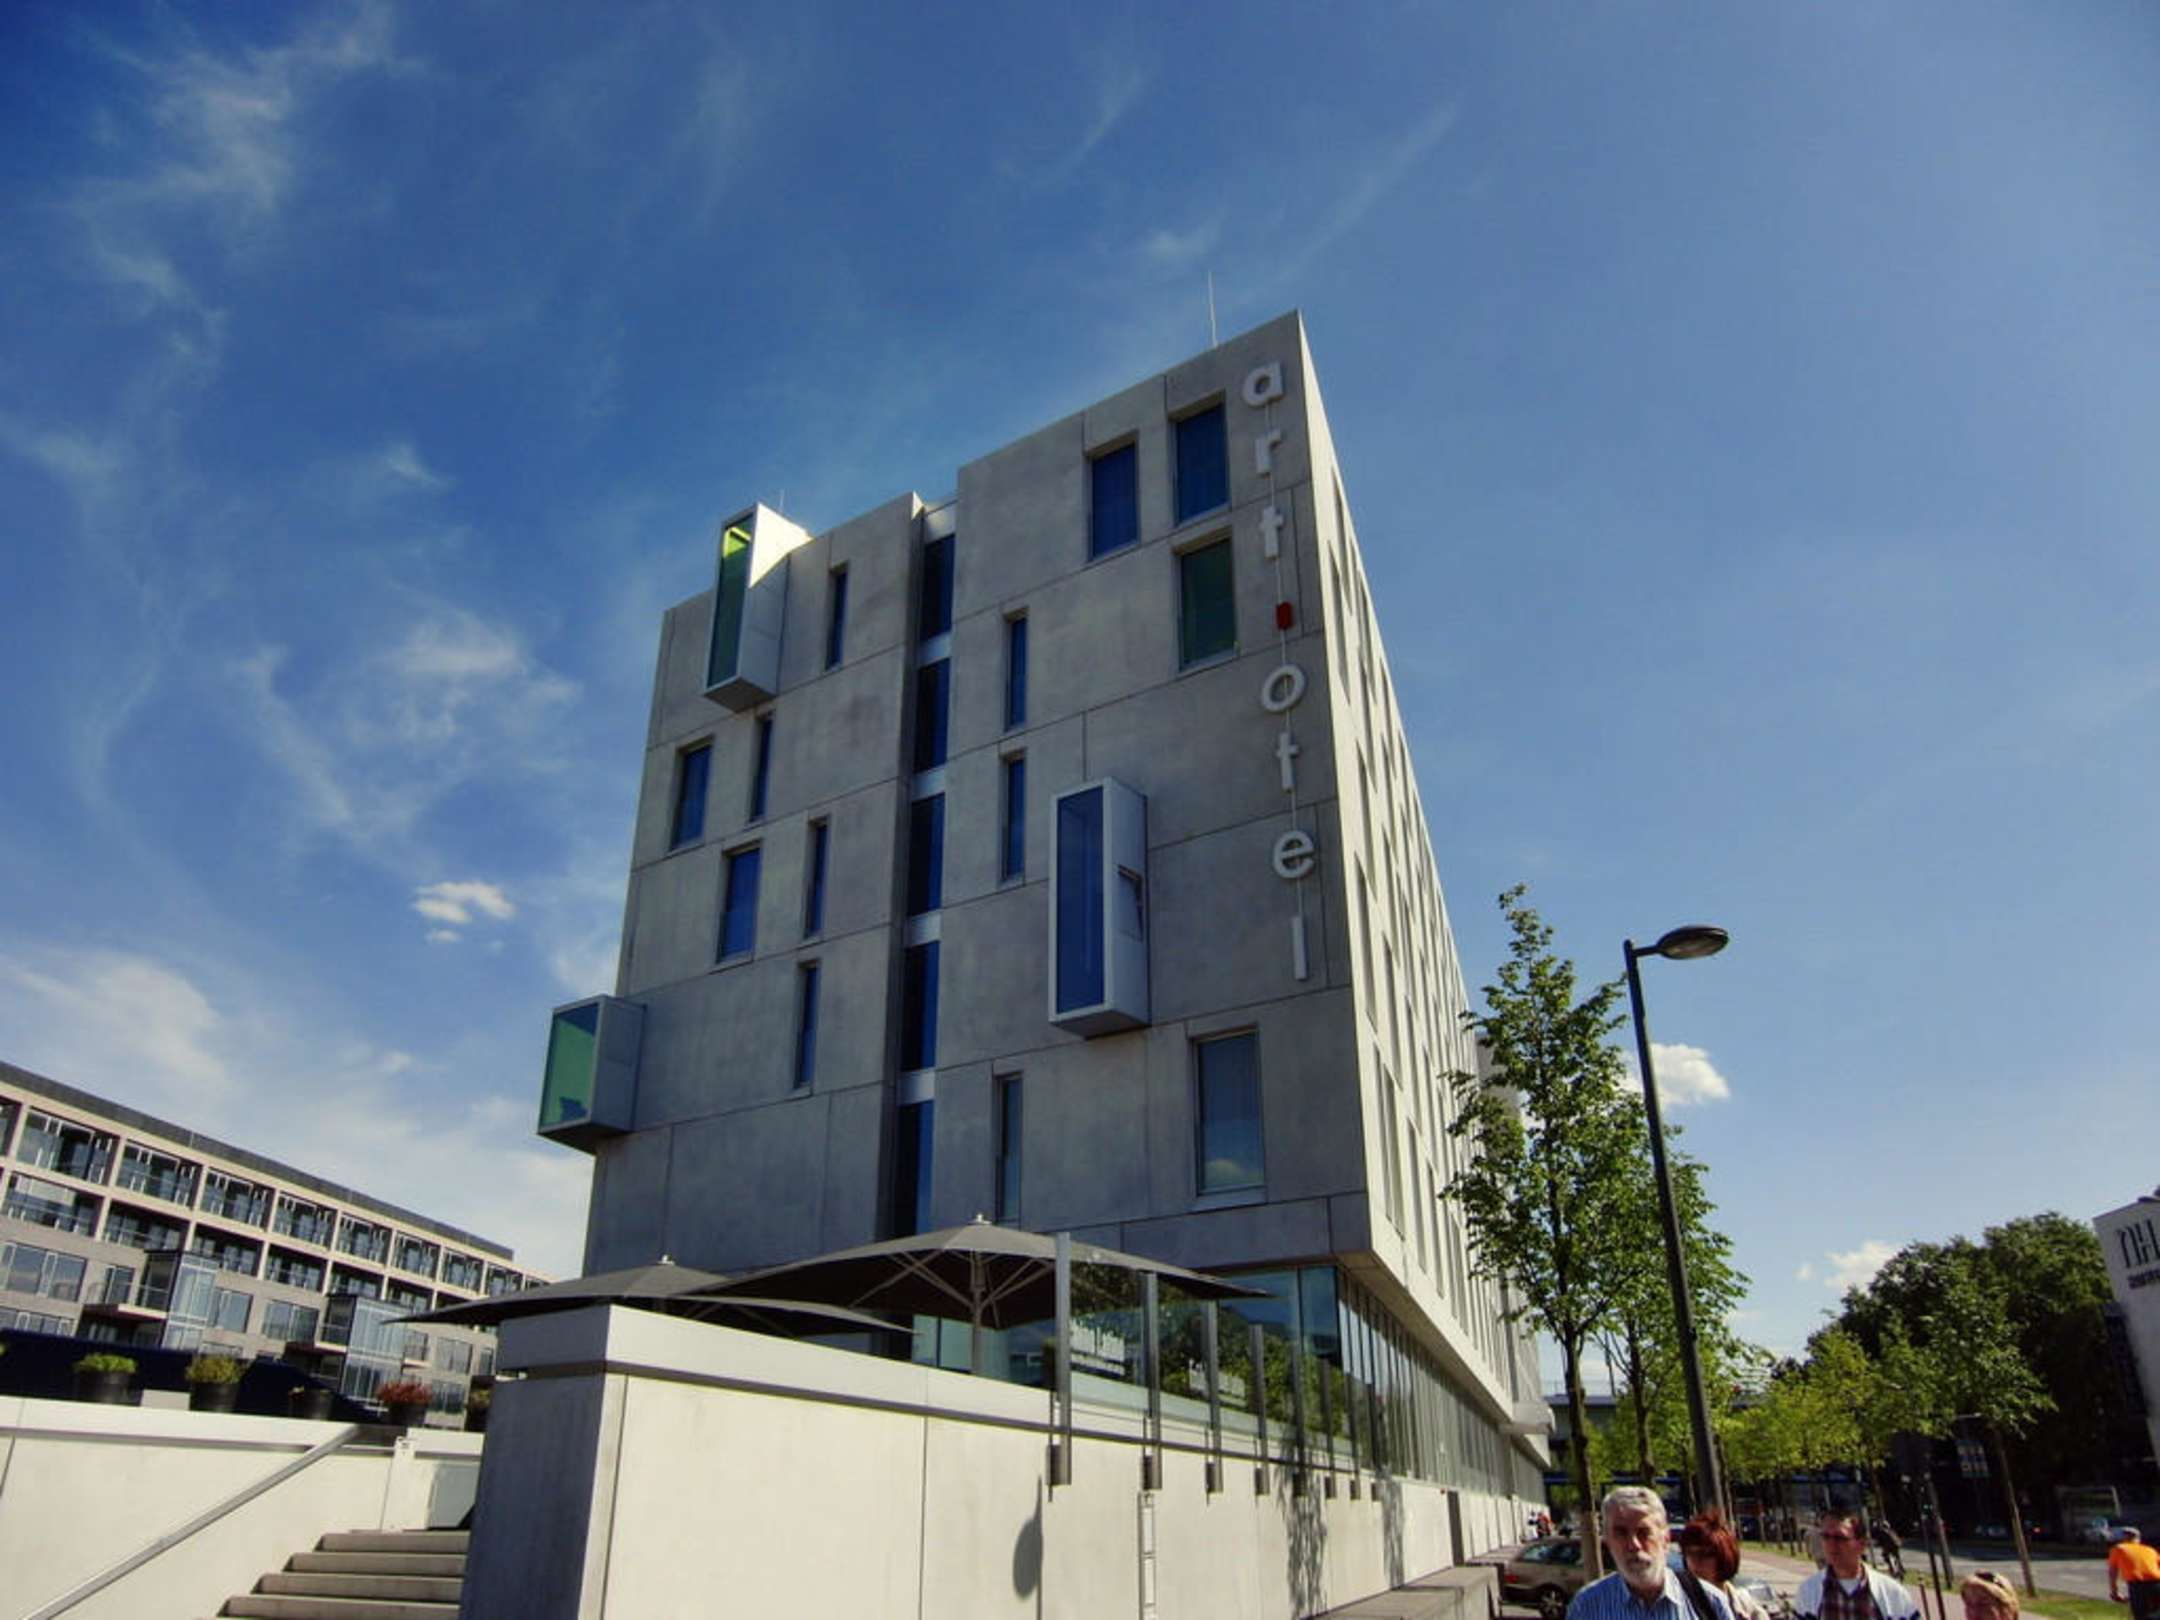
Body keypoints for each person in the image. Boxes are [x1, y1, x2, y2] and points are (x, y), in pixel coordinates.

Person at [1568, 1486, 1733, 1620]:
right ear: (1608, 1541)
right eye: (1621, 1533)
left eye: (1643, 1532)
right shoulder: (1586, 1607)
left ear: (1665, 1539)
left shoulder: (1711, 1603)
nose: (1633, 1545)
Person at [1794, 1508, 1922, 1620]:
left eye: (1840, 1538)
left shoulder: (1892, 1593)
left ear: (1862, 1544)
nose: (1831, 1545)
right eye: (1826, 1537)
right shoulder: (1809, 1591)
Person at [1678, 1508, 1770, 1620]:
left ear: (1723, 1556)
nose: (1695, 1561)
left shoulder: (1748, 1609)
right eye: (1689, 1553)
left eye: (1705, 1554)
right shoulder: (1678, 1606)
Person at [2110, 1527, 2160, 1620]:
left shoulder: (2118, 1548)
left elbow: (2113, 1571)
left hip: (2137, 1585)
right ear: (2139, 1539)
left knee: (2141, 1615)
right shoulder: (2150, 1550)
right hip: (2157, 1584)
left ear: (2123, 1538)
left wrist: (2115, 1592)